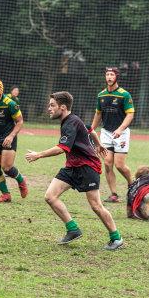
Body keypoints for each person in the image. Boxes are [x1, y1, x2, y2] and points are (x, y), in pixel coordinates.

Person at [25, 91, 124, 250]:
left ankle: (116, 238)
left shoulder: (70, 122)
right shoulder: (70, 119)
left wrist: (39, 155)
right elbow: (89, 129)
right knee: (50, 196)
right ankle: (73, 229)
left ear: (62, 107)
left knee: (96, 206)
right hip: (72, 166)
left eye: (52, 105)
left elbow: (61, 148)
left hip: (87, 167)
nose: (48, 108)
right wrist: (98, 144)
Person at [88, 67, 134, 203]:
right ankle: (114, 194)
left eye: (112, 75)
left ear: (116, 77)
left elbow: (130, 114)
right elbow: (98, 114)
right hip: (106, 133)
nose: (109, 77)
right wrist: (91, 130)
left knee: (119, 165)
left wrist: (120, 129)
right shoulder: (101, 95)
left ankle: (132, 184)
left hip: (122, 133)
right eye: (107, 74)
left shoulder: (124, 95)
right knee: (108, 164)